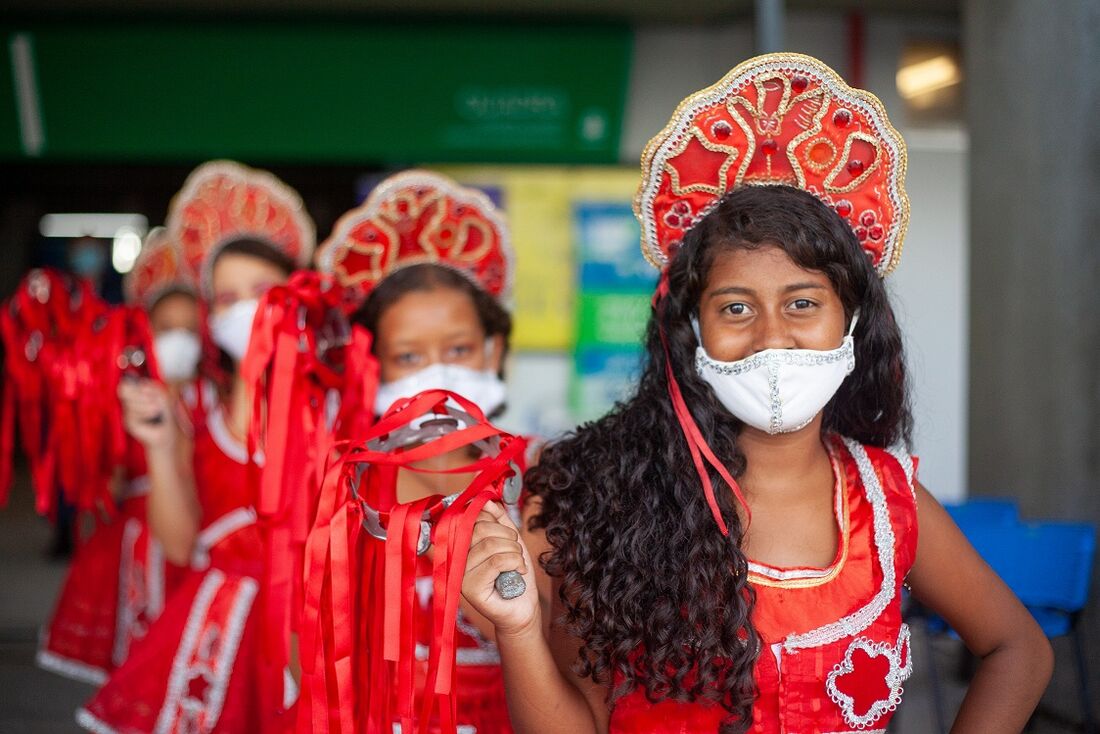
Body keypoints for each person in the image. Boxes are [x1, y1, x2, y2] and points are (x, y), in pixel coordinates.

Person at [460, 53, 1053, 734]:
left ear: (852, 319)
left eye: (803, 303)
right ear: (690, 331)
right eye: (736, 309)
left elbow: (1019, 649)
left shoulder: (887, 504)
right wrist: (516, 630)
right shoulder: (591, 499)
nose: (773, 338)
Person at [77, 160, 315, 733]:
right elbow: (182, 546)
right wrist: (160, 446)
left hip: (311, 628)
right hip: (221, 630)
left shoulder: (339, 402)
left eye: (263, 290)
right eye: (228, 297)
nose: (247, 309)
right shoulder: (200, 412)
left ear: (298, 291)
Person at [306, 169, 533, 732]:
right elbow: (310, 642)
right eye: (410, 357)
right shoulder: (343, 485)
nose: (438, 373)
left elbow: (549, 635)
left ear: (493, 347)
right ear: (372, 363)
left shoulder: (541, 477)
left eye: (457, 348)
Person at [37, 230, 200, 685]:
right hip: (137, 546)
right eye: (167, 329)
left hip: (199, 538)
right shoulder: (127, 396)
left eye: (190, 329)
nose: (180, 340)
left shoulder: (216, 398)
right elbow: (104, 479)